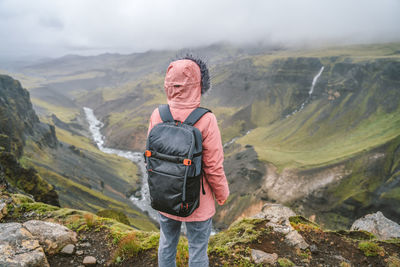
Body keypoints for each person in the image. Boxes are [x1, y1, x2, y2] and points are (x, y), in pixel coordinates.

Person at [147, 56, 229, 267]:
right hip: (198, 202)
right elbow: (213, 166)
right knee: (198, 250)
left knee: (166, 244)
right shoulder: (206, 119)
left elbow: (150, 156)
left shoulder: (158, 114)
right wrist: (222, 194)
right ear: (200, 84)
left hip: (165, 196)